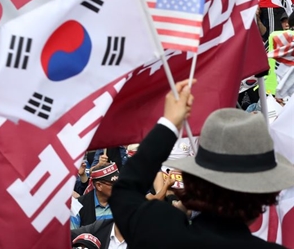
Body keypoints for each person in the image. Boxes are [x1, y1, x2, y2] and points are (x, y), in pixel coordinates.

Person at [111, 79, 294, 248]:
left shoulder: (163, 235)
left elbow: (124, 191)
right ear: (265, 194)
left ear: (195, 183)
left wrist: (169, 124)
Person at [72, 162, 119, 227]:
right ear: (99, 185)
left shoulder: (125, 202)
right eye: (113, 183)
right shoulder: (77, 206)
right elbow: (72, 235)